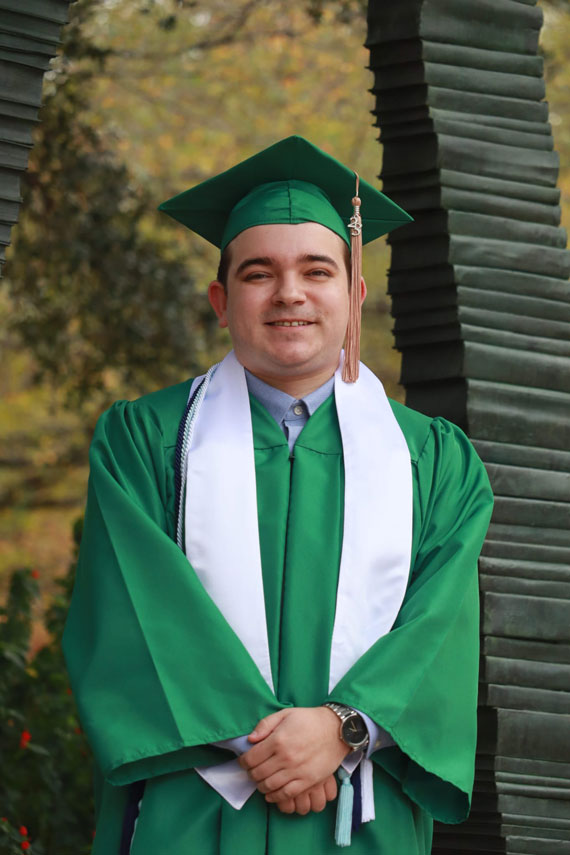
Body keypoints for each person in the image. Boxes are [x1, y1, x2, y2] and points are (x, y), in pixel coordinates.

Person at [62, 136, 494, 855]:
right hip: (195, 809)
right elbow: (133, 613)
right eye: (259, 273)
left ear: (354, 296)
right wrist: (273, 747)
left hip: (361, 809)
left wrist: (346, 727)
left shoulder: (434, 461)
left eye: (316, 270)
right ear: (221, 301)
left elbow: (438, 632)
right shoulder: (144, 441)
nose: (289, 292)